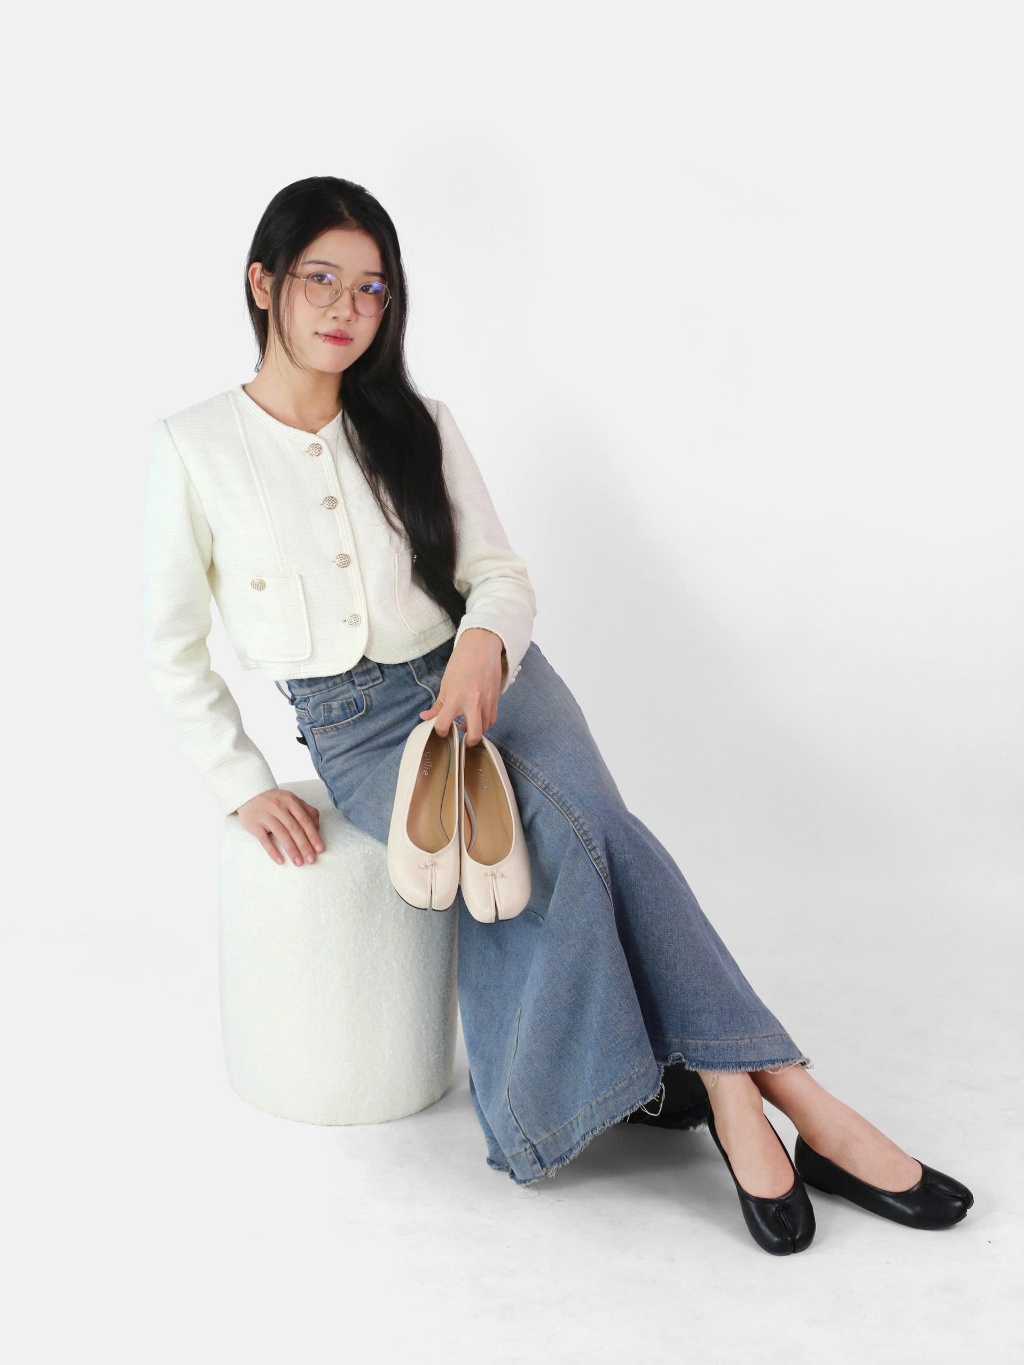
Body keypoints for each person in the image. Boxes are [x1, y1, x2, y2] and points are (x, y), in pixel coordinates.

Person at [141, 175, 973, 1255]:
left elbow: (499, 575)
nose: (347, 307)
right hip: (364, 732)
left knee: (590, 830)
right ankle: (774, 1087)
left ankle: (740, 1093)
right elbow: (169, 649)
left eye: (372, 288)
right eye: (320, 280)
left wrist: (482, 645)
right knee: (583, 838)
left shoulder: (418, 424)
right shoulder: (193, 447)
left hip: (494, 676)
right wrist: (241, 782)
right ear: (263, 285)